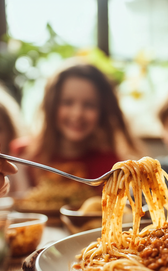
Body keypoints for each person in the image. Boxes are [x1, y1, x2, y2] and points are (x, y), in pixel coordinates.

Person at [11, 60, 142, 207]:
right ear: (51, 105)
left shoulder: (111, 166)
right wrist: (20, 175)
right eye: (67, 102)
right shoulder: (22, 156)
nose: (77, 113)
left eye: (89, 105)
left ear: (102, 112)